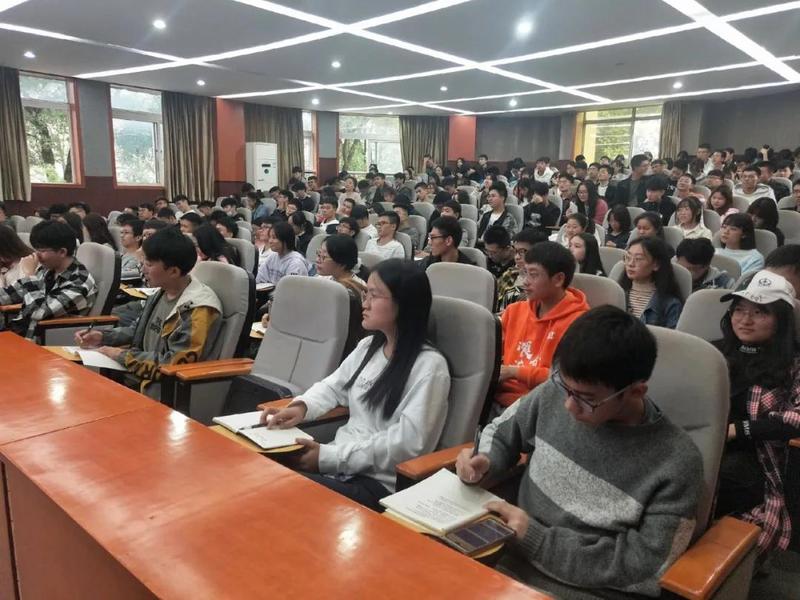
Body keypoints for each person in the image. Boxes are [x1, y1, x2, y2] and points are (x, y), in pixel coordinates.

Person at [455, 306, 703, 599]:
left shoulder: (676, 461)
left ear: (636, 391)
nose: (568, 406)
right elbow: (500, 432)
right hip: (509, 568)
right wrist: (486, 460)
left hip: (593, 592)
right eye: (565, 386)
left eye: (587, 399)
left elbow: (647, 565)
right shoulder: (556, 392)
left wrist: (538, 539)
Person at [261, 259, 451, 510]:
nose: (365, 303)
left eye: (375, 295)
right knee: (257, 467)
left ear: (404, 304)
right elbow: (333, 387)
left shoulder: (430, 367)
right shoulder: (369, 347)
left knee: (275, 489)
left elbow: (407, 444)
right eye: (366, 294)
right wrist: (301, 407)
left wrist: (330, 458)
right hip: (338, 466)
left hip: (377, 484)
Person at [76, 227, 222, 398]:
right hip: (135, 376)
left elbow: (173, 364)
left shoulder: (198, 309)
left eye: (149, 264)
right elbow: (138, 330)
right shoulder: (161, 292)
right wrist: (103, 337)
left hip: (160, 390)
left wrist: (122, 355)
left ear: (173, 271)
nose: (142, 268)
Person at [713, 272, 800, 557]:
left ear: (781, 320)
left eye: (760, 312)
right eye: (739, 310)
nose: (745, 320)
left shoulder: (793, 364)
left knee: (714, 477)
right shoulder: (712, 352)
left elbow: (797, 417)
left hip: (757, 459)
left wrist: (738, 430)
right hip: (703, 445)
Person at [495, 242, 589, 410]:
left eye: (533, 275)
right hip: (497, 396)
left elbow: (568, 379)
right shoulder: (514, 311)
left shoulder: (580, 323)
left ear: (558, 279)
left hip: (542, 405)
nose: (525, 282)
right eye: (524, 273)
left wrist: (514, 372)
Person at [0, 221, 97, 340]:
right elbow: (10, 293)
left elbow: (38, 312)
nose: (36, 255)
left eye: (42, 250)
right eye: (35, 249)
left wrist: (29, 275)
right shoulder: (47, 270)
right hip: (18, 331)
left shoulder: (79, 282)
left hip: (41, 338)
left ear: (62, 252)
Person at [314, 234, 367, 357]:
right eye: (318, 254)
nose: (317, 260)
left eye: (324, 257)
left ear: (342, 263)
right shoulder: (325, 277)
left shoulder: (354, 290)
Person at [618, 237, 682, 328]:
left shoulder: (670, 304)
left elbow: (671, 336)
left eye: (638, 259)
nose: (630, 264)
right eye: (628, 257)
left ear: (656, 265)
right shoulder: (616, 294)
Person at [496, 229, 548, 313]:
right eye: (515, 251)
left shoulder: (543, 284)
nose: (517, 257)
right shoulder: (510, 274)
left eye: (522, 252)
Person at [255, 220, 309, 285]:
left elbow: (292, 288)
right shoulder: (272, 257)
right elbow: (260, 279)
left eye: (274, 238)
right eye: (270, 237)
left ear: (285, 240)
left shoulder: (296, 263)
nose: (270, 241)